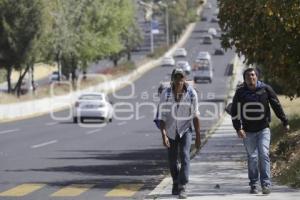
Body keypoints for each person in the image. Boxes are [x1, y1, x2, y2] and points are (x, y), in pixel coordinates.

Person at [231, 68, 290, 195]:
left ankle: (266, 184)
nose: (250, 77)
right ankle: (253, 184)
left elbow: (276, 105)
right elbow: (234, 111)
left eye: (252, 75)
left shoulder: (265, 89)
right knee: (252, 157)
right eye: (248, 76)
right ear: (244, 78)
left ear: (257, 76)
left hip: (263, 129)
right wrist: (238, 128)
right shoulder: (240, 92)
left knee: (263, 154)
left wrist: (284, 121)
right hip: (247, 131)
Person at [157, 68, 201, 199]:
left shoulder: (192, 94)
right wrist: (164, 135)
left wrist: (198, 137)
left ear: (184, 79)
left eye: (181, 77)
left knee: (185, 155)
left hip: (185, 129)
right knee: (172, 159)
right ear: (173, 79)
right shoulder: (166, 94)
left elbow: (196, 116)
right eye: (176, 77)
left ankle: (182, 185)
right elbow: (162, 117)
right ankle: (175, 181)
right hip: (170, 129)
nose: (179, 80)